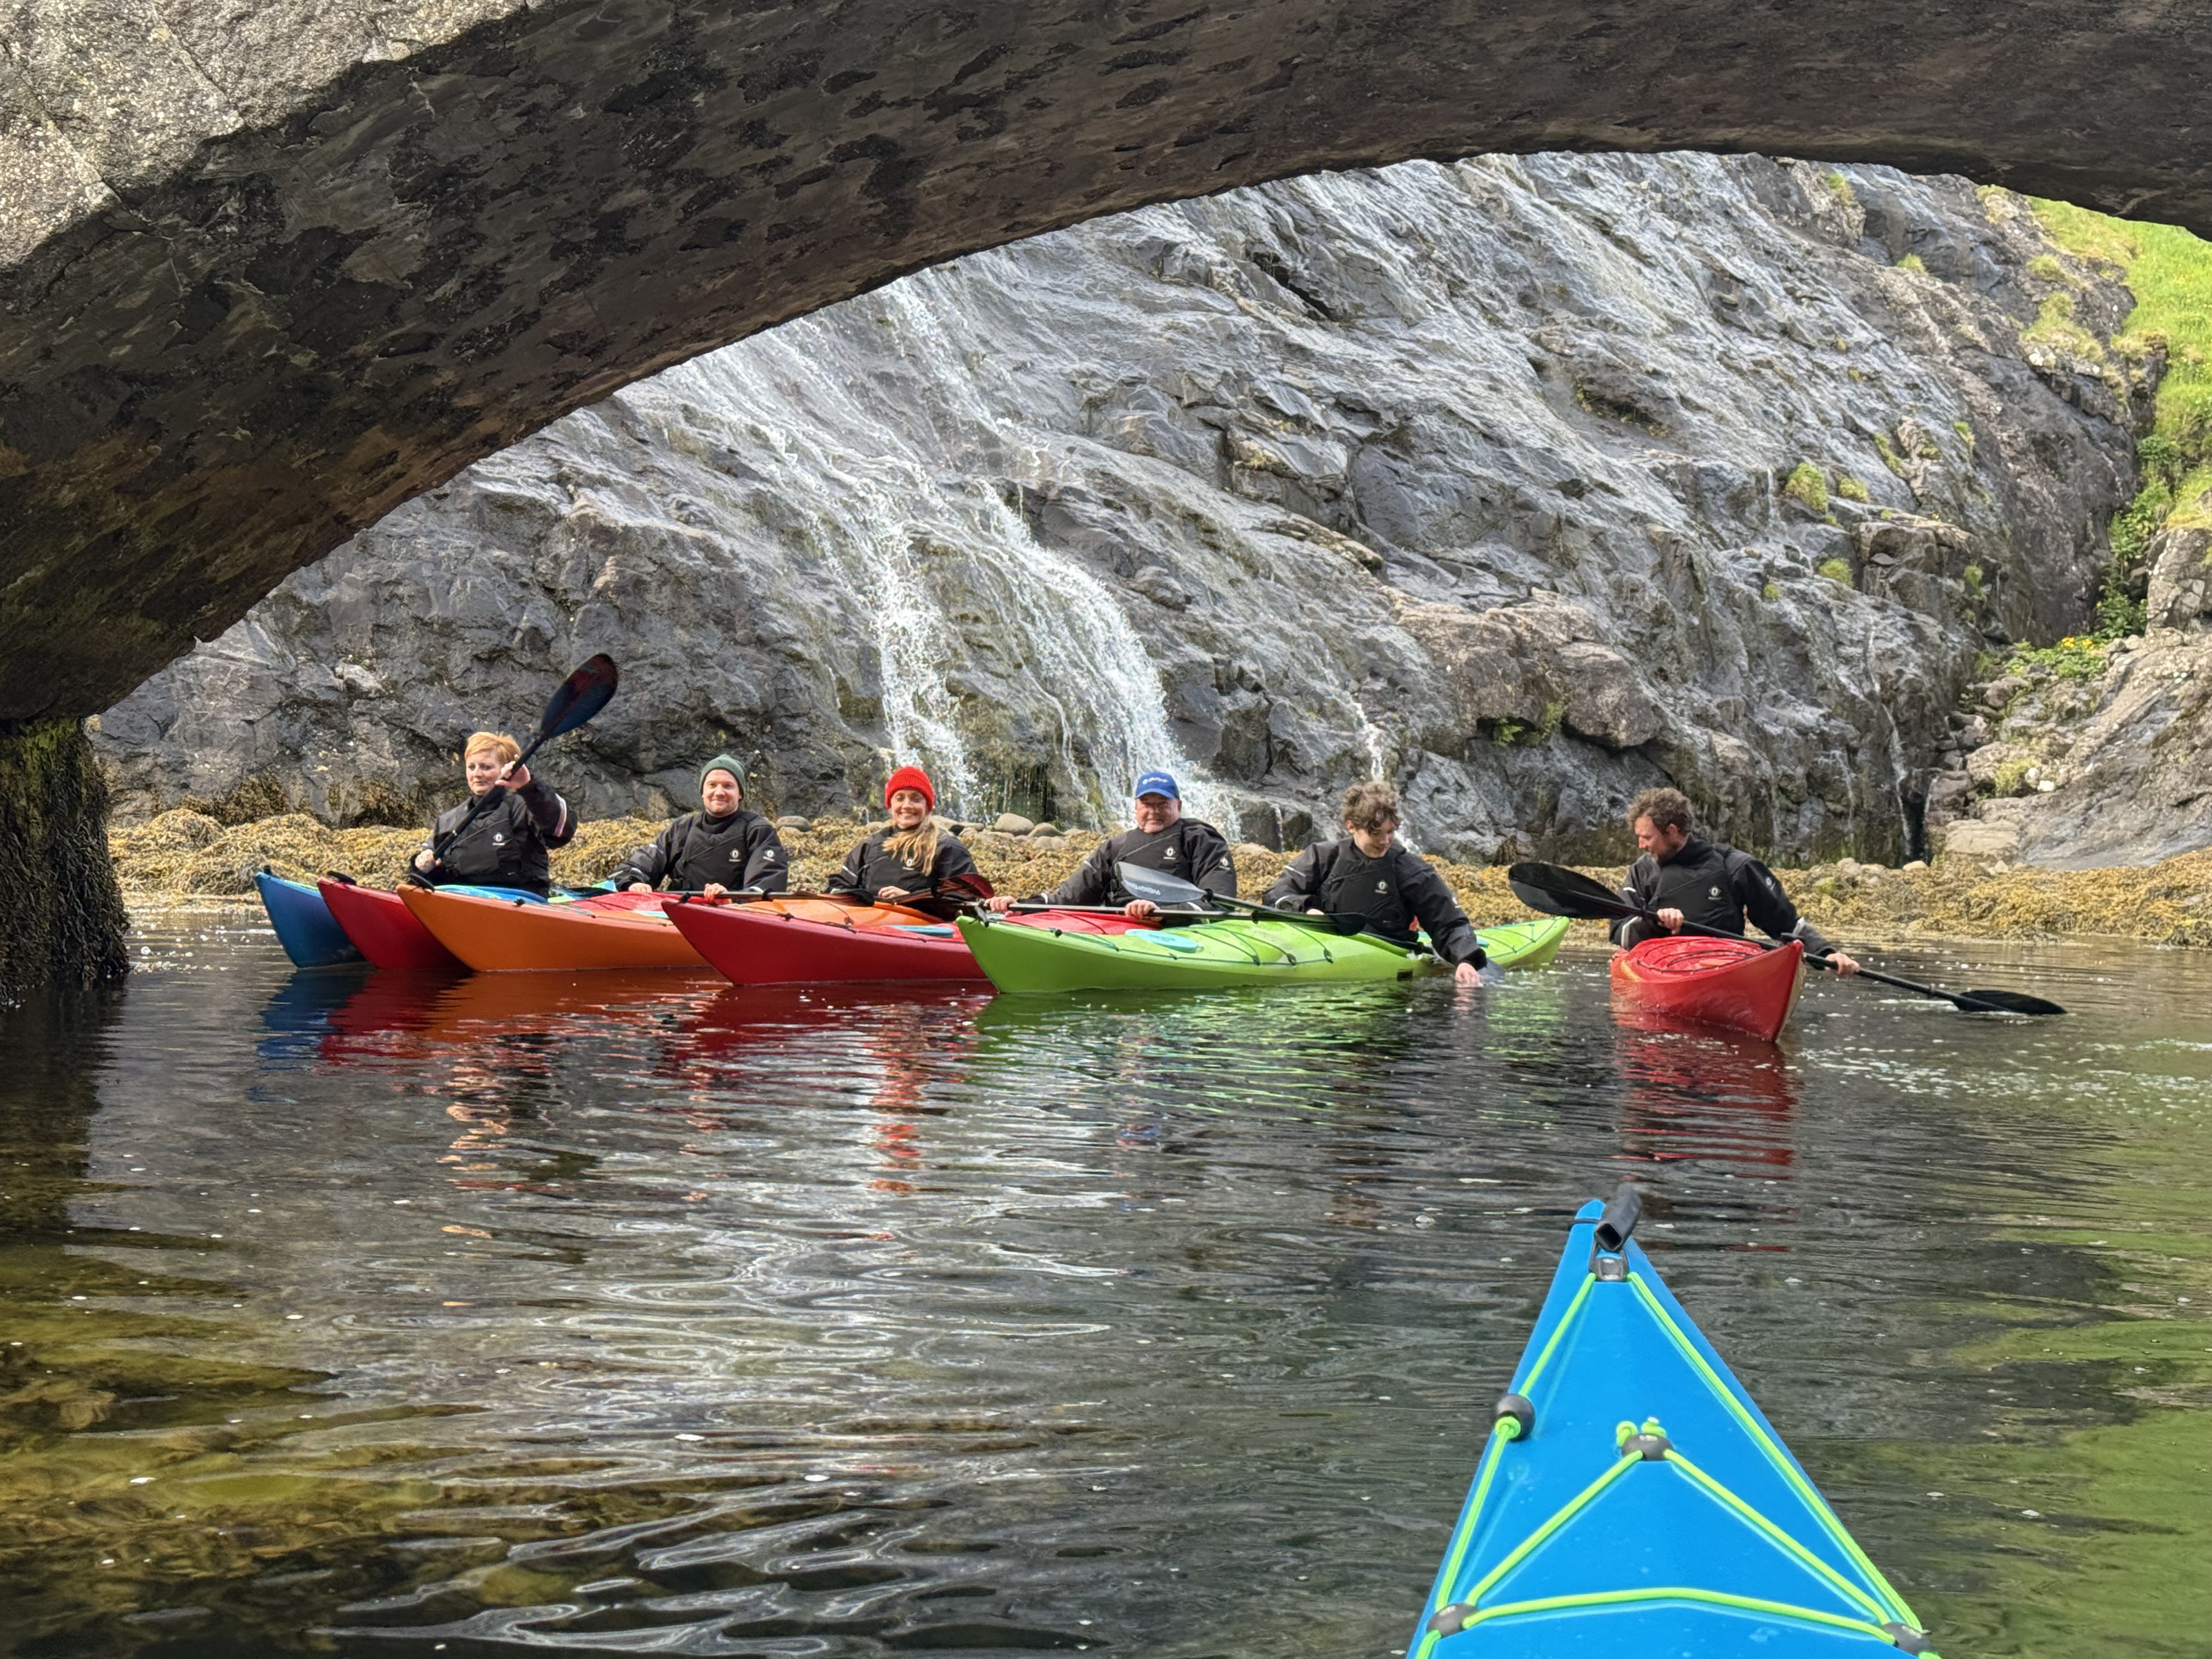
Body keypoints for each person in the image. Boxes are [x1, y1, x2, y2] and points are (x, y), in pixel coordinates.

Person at [1611, 787, 1861, 974]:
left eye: (1647, 837)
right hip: (1661, 969)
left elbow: (1784, 922)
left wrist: (1827, 954)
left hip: (1724, 967)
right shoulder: (1642, 871)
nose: (1641, 845)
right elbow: (1618, 929)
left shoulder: (1734, 866)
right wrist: (1656, 923)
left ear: (1673, 831)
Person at [1265, 781, 1488, 985]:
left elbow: (1448, 920)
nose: (1385, 841)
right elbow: (1277, 893)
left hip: (1388, 952)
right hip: (1324, 945)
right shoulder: (1323, 857)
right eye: (1375, 833)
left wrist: (1465, 960)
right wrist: (1307, 909)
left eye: (1390, 832)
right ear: (1351, 826)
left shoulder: (1410, 869)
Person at [984, 770, 1235, 920]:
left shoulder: (1201, 839)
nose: (1154, 812)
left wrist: (1162, 912)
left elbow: (1219, 901)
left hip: (1173, 926)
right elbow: (1070, 897)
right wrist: (1020, 905)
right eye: (1147, 804)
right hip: (1121, 926)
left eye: (1163, 804)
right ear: (1136, 807)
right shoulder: (1116, 846)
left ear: (1178, 806)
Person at [411, 731, 576, 896]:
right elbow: (428, 880)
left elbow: (561, 832)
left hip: (521, 901)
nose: (476, 774)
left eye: (486, 767)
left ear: (505, 770)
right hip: (465, 902)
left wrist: (528, 786)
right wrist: (422, 866)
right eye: (471, 767)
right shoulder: (448, 820)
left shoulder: (526, 806)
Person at [606, 754, 788, 897]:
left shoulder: (758, 830)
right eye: (712, 785)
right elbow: (639, 865)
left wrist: (731, 897)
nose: (719, 792)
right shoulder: (682, 828)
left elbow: (767, 883)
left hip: (730, 918)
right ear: (703, 792)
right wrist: (634, 882)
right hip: (678, 916)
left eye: (728, 786)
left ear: (740, 794)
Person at [828, 766, 980, 913]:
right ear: (890, 805)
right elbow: (840, 886)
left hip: (920, 930)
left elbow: (965, 902)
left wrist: (910, 900)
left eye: (915, 799)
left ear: (927, 806)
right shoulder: (870, 845)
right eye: (900, 798)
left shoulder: (947, 848)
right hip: (870, 924)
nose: (907, 806)